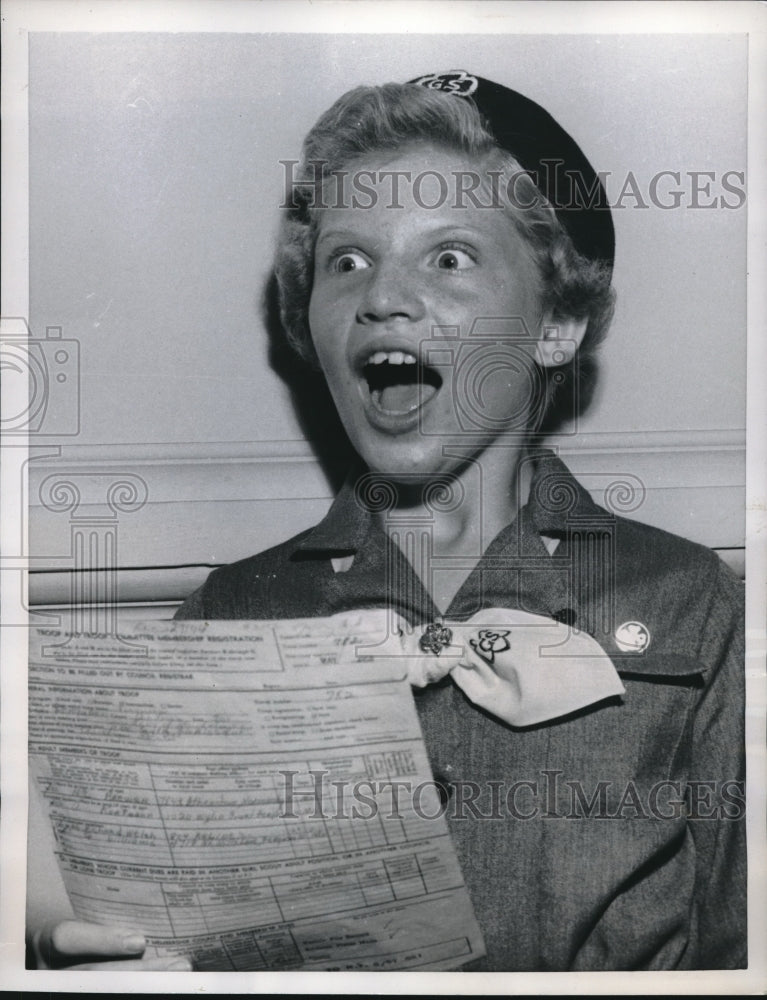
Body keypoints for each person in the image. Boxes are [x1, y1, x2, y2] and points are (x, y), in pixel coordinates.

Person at [28, 71, 746, 972]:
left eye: (448, 257)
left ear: (555, 323)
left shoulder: (695, 610)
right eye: (348, 261)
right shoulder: (230, 614)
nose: (381, 297)